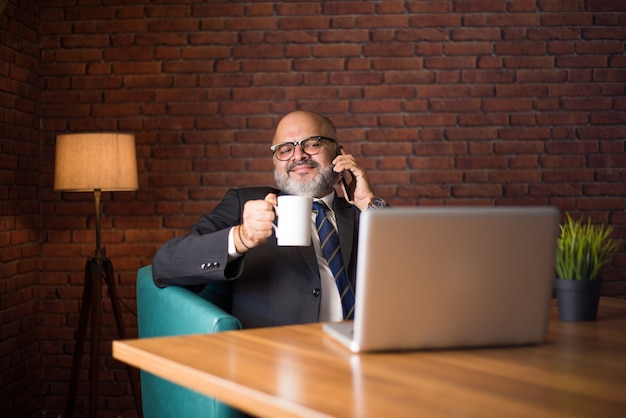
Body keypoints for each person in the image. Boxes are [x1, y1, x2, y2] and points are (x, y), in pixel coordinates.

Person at [152, 110, 387, 328]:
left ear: (339, 154)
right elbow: (166, 265)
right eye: (285, 149)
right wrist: (241, 238)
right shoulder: (246, 203)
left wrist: (368, 202)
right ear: (275, 161)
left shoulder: (363, 214)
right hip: (279, 358)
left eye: (313, 144)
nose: (299, 155)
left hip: (363, 353)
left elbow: (417, 276)